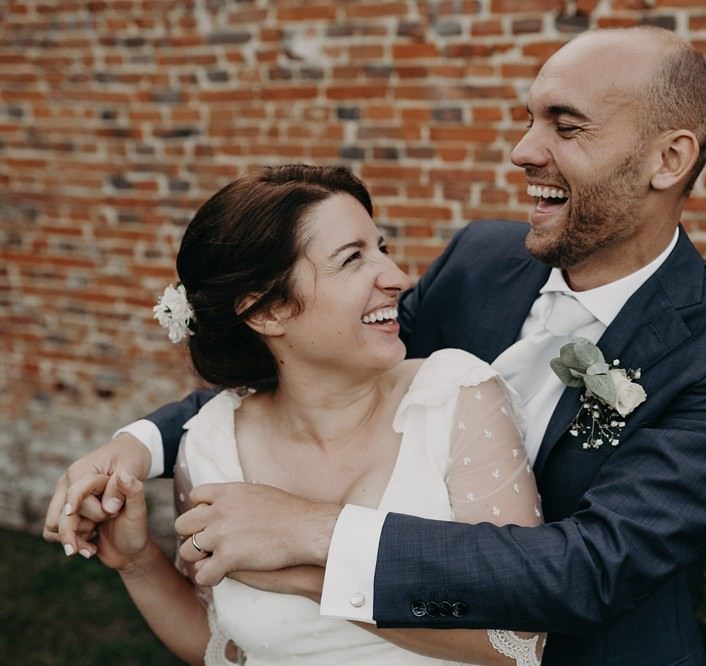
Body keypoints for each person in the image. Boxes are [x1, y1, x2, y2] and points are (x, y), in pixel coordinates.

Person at [45, 27, 706, 665]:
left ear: (667, 161)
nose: (521, 151)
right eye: (529, 119)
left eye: (565, 127)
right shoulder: (482, 261)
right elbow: (312, 361)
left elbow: (592, 570)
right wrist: (142, 443)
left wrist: (309, 535)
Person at [60, 164, 546, 664]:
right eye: (353, 259)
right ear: (268, 312)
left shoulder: (455, 397)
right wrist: (138, 563)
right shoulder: (211, 444)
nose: (397, 277)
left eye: (381, 247)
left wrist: (309, 576)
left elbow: (520, 642)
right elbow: (225, 647)